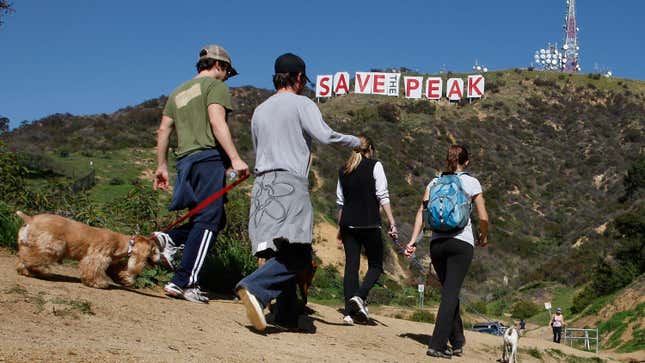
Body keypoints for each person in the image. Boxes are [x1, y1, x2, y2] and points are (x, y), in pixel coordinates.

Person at [235, 53, 360, 331]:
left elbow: (258, 148)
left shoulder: (259, 110)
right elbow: (325, 136)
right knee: (300, 254)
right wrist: (356, 142)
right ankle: (254, 287)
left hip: (262, 185)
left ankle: (287, 315)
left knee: (279, 250)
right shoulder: (302, 103)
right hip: (288, 185)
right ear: (300, 78)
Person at [152, 44, 249, 303]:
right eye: (227, 71)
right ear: (220, 65)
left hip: (185, 162)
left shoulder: (178, 92)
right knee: (208, 220)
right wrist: (235, 158)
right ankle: (184, 281)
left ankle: (169, 239)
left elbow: (163, 131)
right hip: (207, 159)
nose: (227, 77)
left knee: (213, 219)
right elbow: (217, 122)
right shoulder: (215, 87)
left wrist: (161, 166)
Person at [405, 144, 489, 359]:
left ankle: (457, 340)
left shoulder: (434, 182)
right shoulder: (471, 182)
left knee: (449, 292)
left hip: (437, 244)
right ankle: (437, 344)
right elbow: (483, 217)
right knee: (450, 293)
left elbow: (421, 214)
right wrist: (484, 235)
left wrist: (413, 241)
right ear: (466, 162)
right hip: (461, 243)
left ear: (447, 160)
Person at [336, 136, 397, 325]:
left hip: (348, 224)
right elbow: (382, 195)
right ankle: (360, 297)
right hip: (369, 223)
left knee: (351, 266)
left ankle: (348, 313)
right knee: (376, 265)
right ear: (370, 149)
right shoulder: (375, 165)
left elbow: (340, 202)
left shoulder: (343, 170)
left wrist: (340, 227)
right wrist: (392, 223)